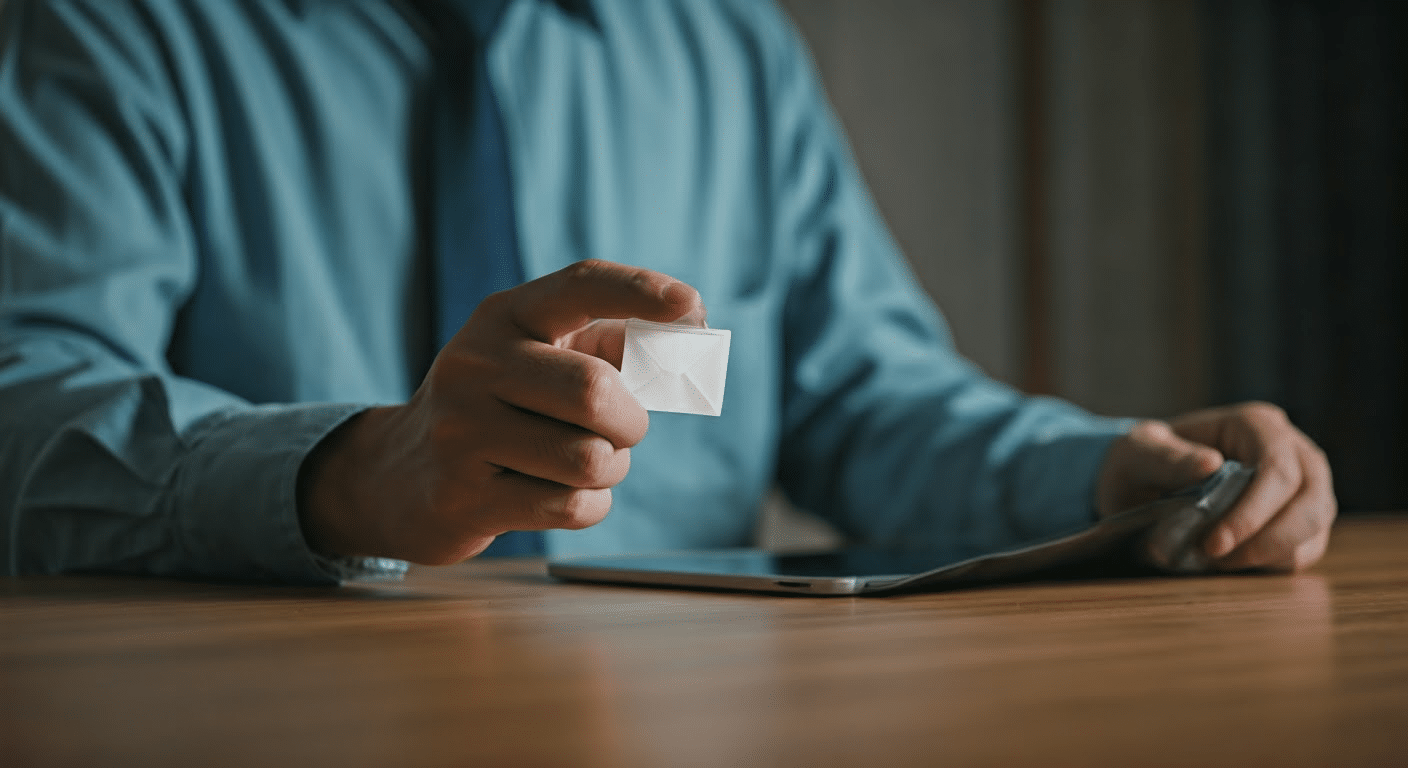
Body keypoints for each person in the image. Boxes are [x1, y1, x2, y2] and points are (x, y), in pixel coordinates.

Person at [0, 0, 1334, 584]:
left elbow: (861, 395)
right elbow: (28, 401)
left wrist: (1113, 478)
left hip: (674, 718)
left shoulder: (725, 41)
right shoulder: (115, 23)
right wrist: (350, 478)